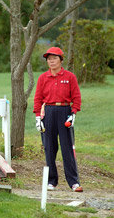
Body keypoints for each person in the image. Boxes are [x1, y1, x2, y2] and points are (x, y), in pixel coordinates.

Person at [33, 47, 83, 192]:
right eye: (49, 59)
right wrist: (38, 117)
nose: (51, 61)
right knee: (49, 148)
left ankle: (73, 182)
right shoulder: (43, 77)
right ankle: (51, 181)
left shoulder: (70, 77)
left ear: (61, 60)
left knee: (67, 148)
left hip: (65, 112)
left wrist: (73, 113)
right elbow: (38, 99)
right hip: (48, 112)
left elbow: (76, 98)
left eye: (54, 58)